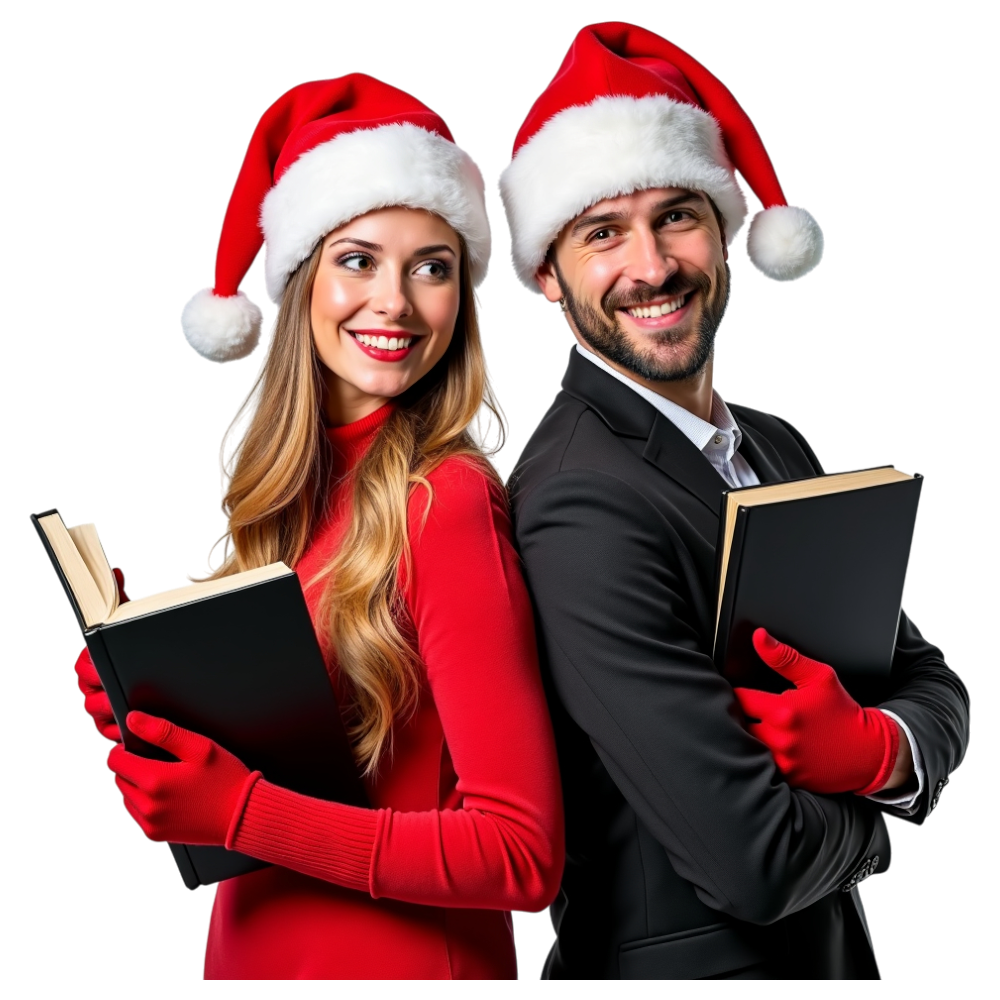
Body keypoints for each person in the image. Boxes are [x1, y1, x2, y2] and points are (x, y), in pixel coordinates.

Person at [496, 22, 969, 980]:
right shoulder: (575, 501)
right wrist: (887, 805)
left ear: (727, 231)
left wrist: (879, 748)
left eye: (678, 216)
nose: (653, 266)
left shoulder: (773, 441)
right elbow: (755, 861)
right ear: (547, 275)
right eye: (601, 233)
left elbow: (930, 681)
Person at [72, 73, 564, 979]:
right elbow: (272, 774)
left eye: (433, 266)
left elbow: (521, 855)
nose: (397, 303)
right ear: (300, 282)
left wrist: (242, 813)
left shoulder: (445, 499)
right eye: (359, 259)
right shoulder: (280, 501)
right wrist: (152, 696)